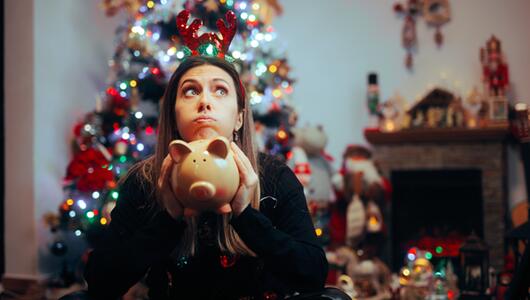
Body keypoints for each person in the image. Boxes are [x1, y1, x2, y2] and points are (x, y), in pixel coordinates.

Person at [83, 10, 330, 300]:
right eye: (190, 91)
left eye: (220, 91)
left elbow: (313, 274)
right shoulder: (144, 182)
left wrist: (245, 216)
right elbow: (100, 280)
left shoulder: (274, 178)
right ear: (173, 116)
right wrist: (168, 219)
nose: (204, 102)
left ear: (239, 118)